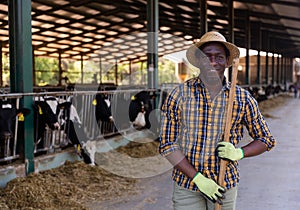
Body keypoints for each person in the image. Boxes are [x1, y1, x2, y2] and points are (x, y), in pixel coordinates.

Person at [159, 31, 276, 210]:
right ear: (198, 61)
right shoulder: (179, 95)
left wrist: (239, 153)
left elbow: (266, 140)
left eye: (219, 57)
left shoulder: (241, 98)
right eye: (207, 57)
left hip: (224, 184)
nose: (213, 62)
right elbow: (167, 144)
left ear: (227, 61)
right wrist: (197, 178)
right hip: (187, 186)